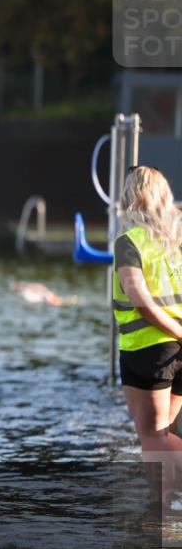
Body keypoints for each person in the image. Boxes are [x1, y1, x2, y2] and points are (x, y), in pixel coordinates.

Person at [113, 166, 182, 465]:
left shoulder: (129, 241)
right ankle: (163, 509)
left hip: (149, 349)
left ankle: (160, 507)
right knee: (162, 435)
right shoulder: (176, 244)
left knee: (153, 438)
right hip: (178, 349)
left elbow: (138, 297)